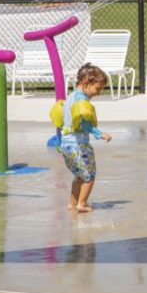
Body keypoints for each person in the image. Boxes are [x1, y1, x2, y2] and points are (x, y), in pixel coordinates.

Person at [51, 63, 113, 213]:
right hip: (78, 144)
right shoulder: (81, 100)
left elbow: (62, 123)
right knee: (89, 176)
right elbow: (84, 123)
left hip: (66, 143)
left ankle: (72, 203)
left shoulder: (70, 97)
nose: (98, 93)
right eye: (97, 88)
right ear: (86, 82)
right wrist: (100, 134)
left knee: (79, 175)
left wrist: (60, 142)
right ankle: (82, 204)